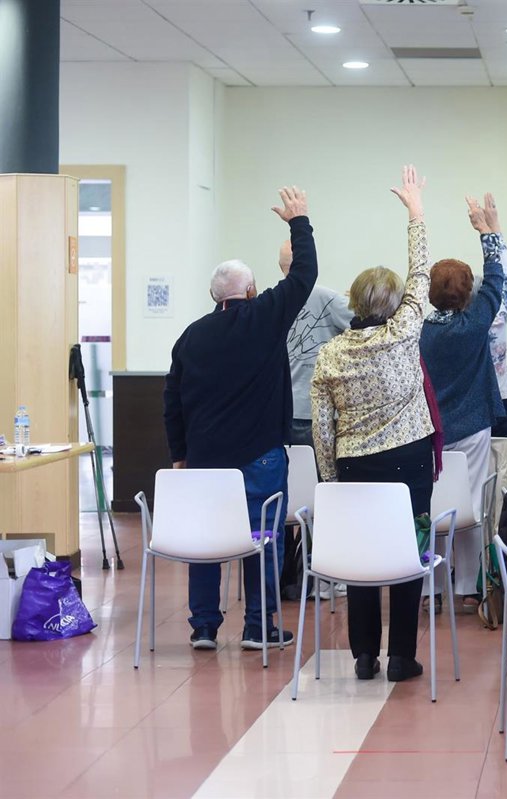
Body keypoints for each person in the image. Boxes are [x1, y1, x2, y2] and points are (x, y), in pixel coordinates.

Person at [163, 186, 313, 652]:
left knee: (208, 541)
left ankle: (204, 627)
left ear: (215, 296)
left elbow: (172, 401)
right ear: (250, 291)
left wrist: (180, 455)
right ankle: (258, 627)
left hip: (206, 460)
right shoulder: (266, 316)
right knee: (262, 540)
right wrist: (299, 221)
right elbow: (305, 274)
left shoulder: (191, 336)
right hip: (261, 458)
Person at [309, 165, 435, 683]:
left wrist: (329, 481)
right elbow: (422, 273)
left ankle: (364, 654)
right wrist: (416, 214)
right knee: (407, 554)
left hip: (354, 464)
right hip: (409, 461)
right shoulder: (406, 330)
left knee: (362, 558)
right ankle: (402, 656)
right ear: (394, 302)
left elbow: (322, 427)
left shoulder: (331, 354)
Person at [420, 193, 507, 597]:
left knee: (434, 505)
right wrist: (487, 232)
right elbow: (496, 281)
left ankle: (432, 588)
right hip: (473, 425)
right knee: (471, 505)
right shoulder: (474, 324)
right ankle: (467, 590)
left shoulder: (418, 331)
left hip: (429, 429)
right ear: (468, 292)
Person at [280, 240, 353, 449]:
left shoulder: (272, 299)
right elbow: (368, 322)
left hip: (281, 410)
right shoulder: (326, 297)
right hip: (317, 410)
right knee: (321, 478)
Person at [481, 194, 507, 439]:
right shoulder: (493, 323)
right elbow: (506, 277)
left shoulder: (433, 329)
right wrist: (491, 230)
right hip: (498, 402)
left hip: (456, 411)